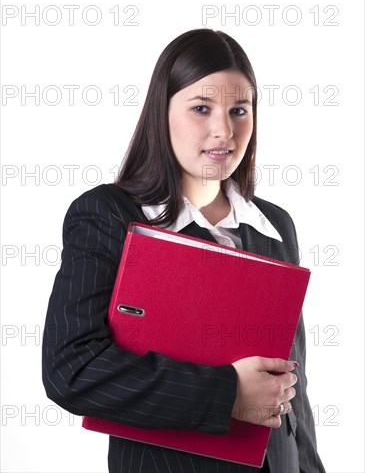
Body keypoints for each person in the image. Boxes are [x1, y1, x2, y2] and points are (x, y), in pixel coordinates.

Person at [42, 28, 326, 473]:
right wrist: (227, 392)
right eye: (201, 108)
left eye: (239, 110)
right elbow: (71, 370)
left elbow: (293, 388)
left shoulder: (274, 225)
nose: (224, 130)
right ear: (162, 112)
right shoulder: (107, 215)